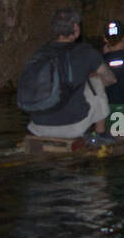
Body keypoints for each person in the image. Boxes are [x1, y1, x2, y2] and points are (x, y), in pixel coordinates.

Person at [22, 8, 116, 144]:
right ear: (76, 29)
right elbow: (111, 79)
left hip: (37, 127)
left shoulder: (39, 54)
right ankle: (100, 134)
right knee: (95, 80)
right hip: (72, 128)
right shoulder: (85, 52)